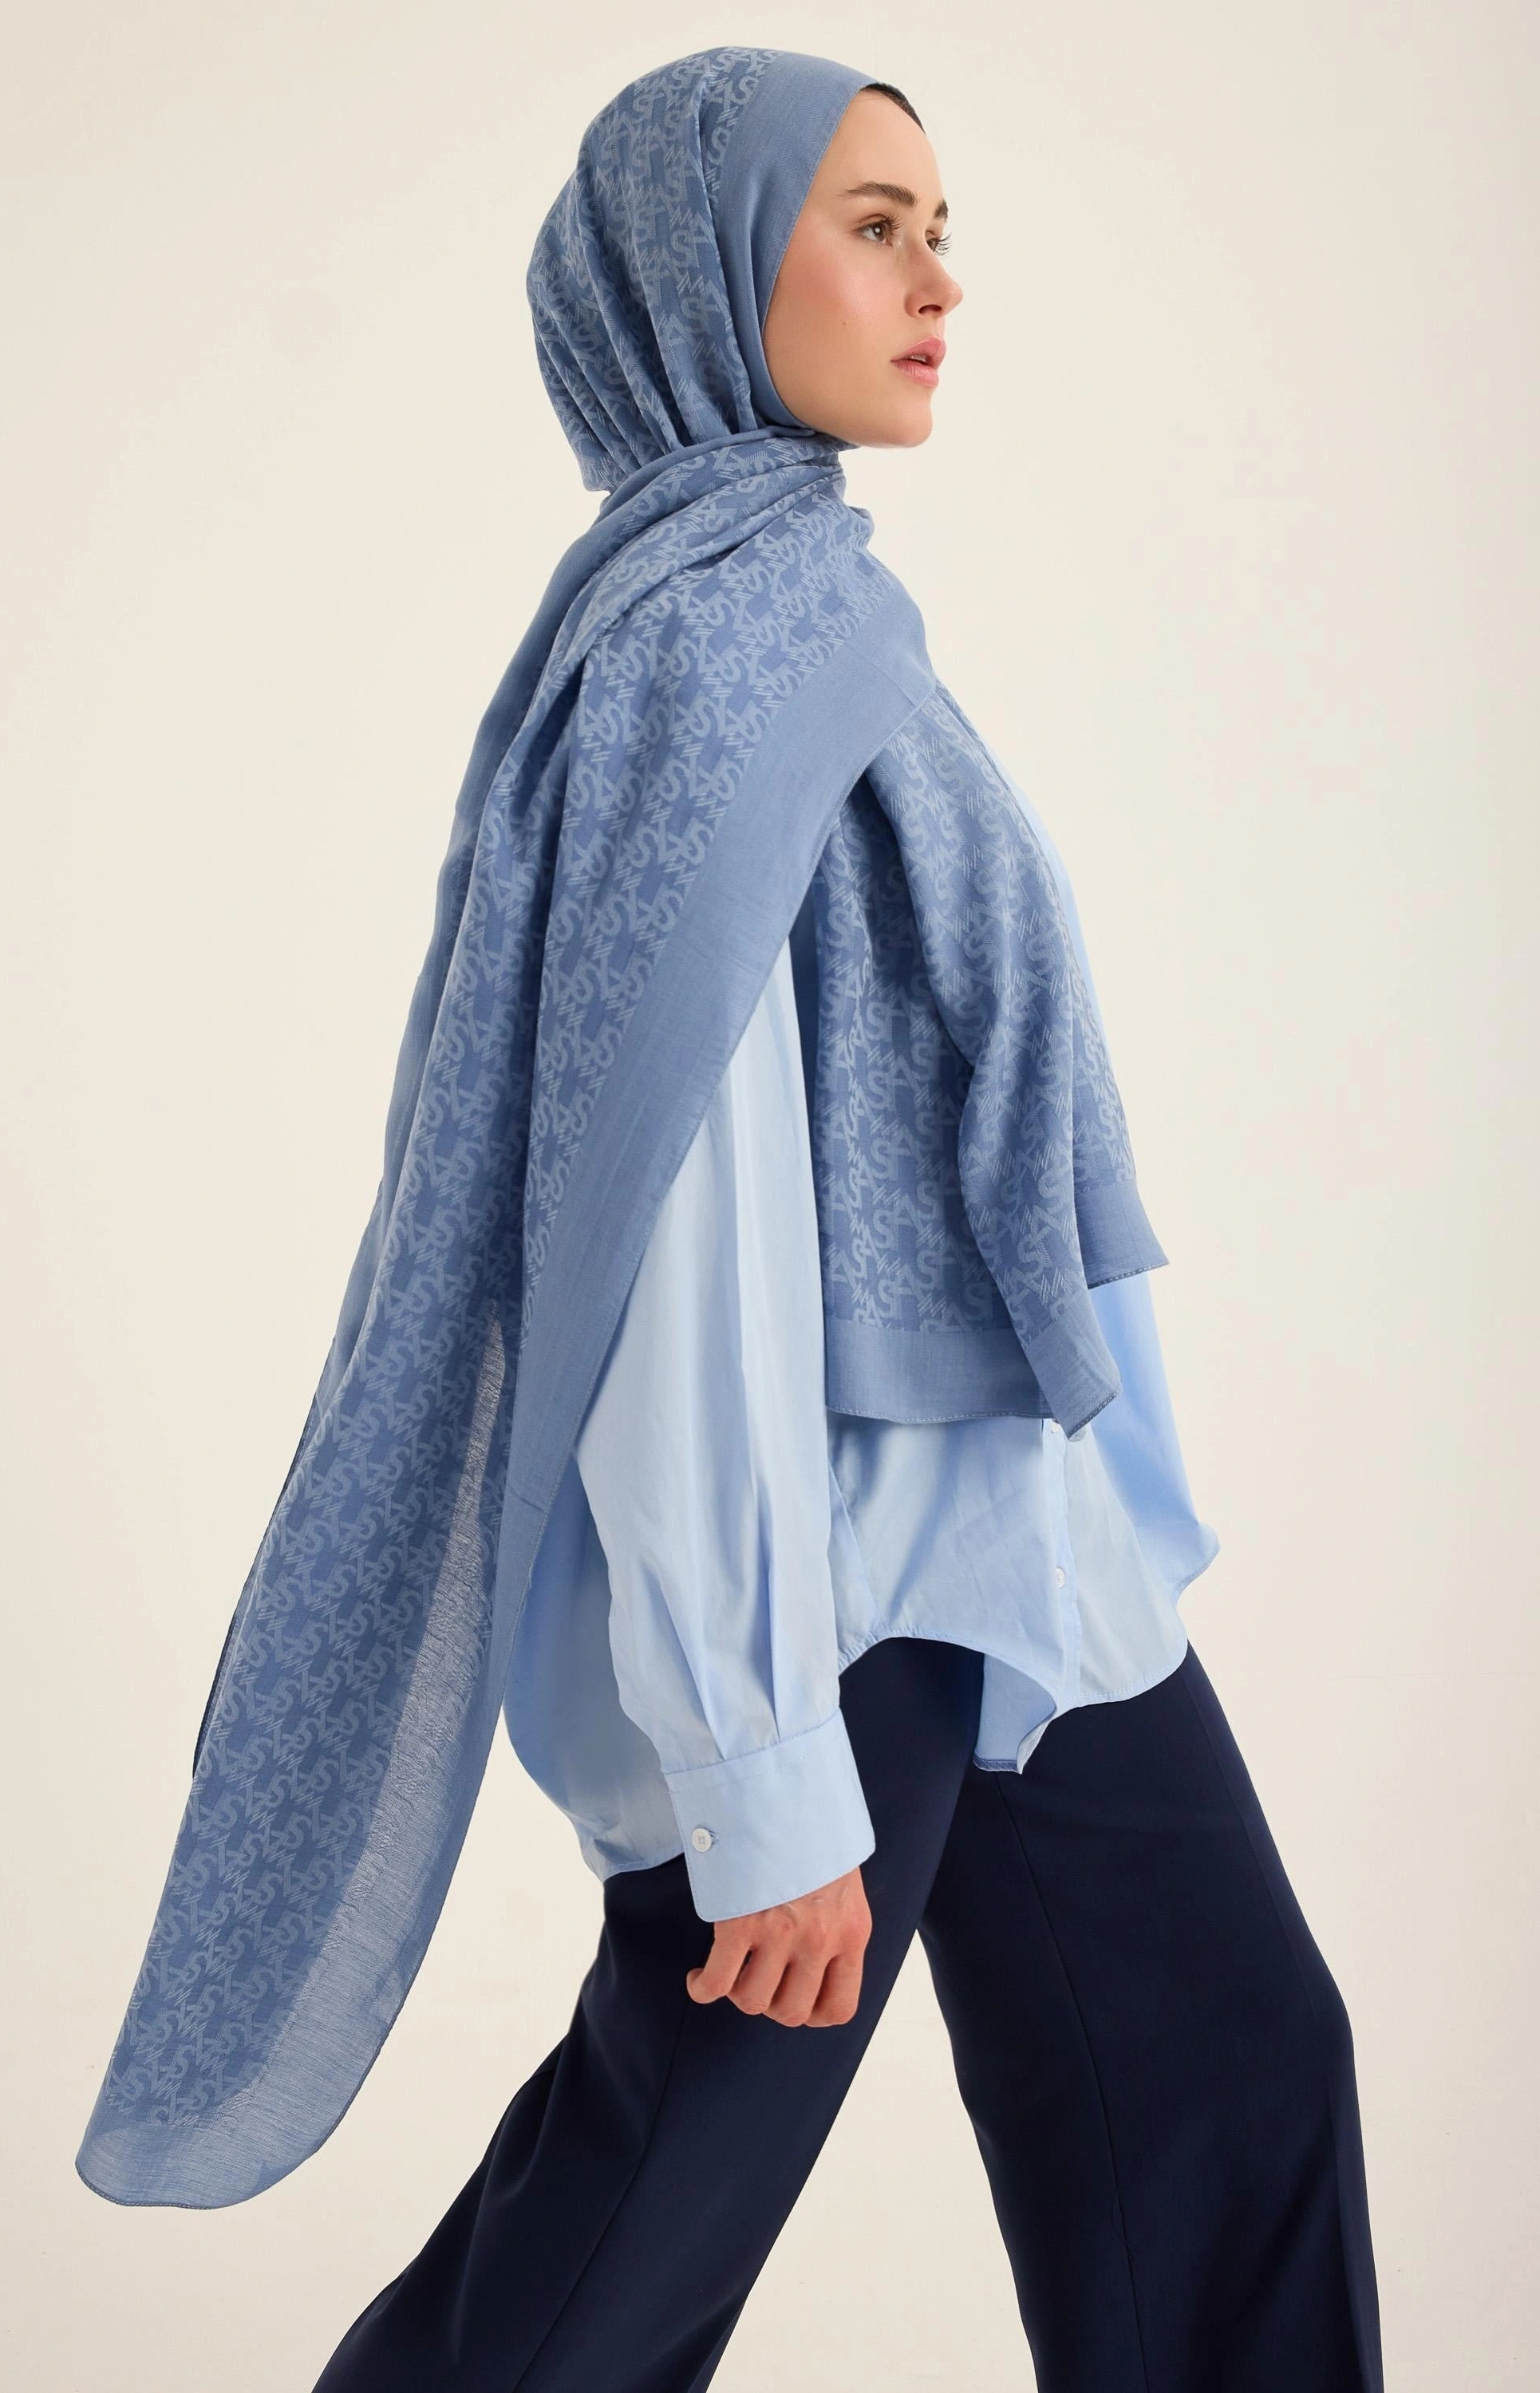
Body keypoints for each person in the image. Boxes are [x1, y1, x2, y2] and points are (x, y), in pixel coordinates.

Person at [75, 45, 1385, 2392]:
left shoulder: (806, 609)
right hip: (841, 1573)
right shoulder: (711, 656)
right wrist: (759, 1761)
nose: (940, 281)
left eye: (943, 228)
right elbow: (679, 1234)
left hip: (1013, 1535)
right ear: (701, 274)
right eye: (874, 225)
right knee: (643, 2220)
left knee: (1232, 2072)